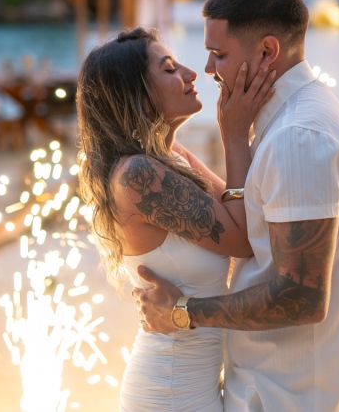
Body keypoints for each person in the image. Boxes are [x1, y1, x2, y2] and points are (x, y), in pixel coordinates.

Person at [134, 0, 339, 412]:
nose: (207, 70)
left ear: (267, 51)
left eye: (218, 54)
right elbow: (254, 237)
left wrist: (183, 311)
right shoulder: (293, 123)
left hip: (291, 395)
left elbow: (299, 297)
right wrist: (236, 140)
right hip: (278, 386)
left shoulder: (298, 137)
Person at [76, 26, 276, 411]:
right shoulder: (138, 175)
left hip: (193, 383)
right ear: (135, 93)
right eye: (169, 70)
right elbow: (244, 239)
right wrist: (233, 135)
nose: (191, 73)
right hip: (169, 391)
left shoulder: (171, 158)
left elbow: (246, 210)